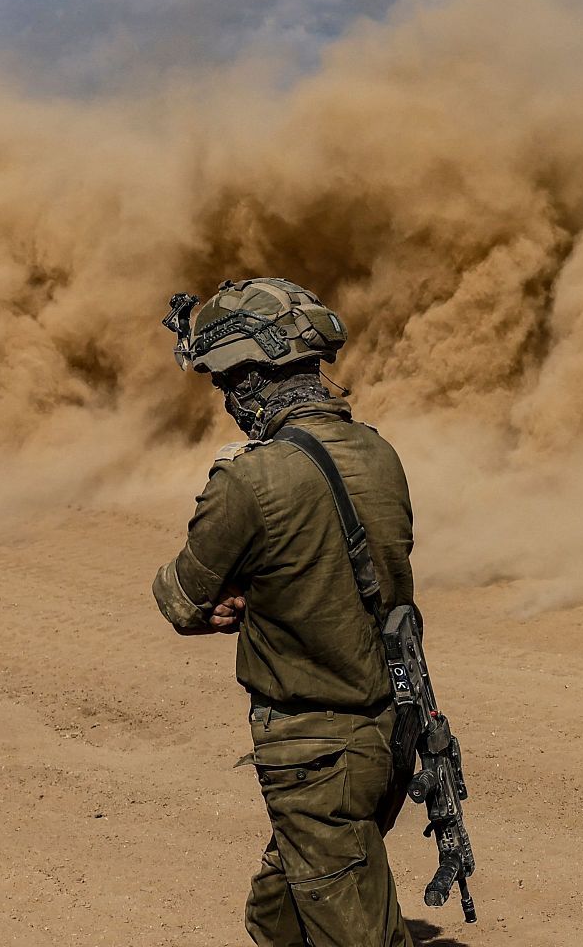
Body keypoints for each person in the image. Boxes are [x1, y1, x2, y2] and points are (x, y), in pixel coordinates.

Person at [153, 278, 415, 947]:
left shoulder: (248, 479)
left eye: (222, 381)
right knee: (277, 917)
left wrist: (240, 592)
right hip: (389, 733)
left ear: (247, 378)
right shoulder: (380, 455)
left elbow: (181, 600)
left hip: (313, 751)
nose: (226, 398)